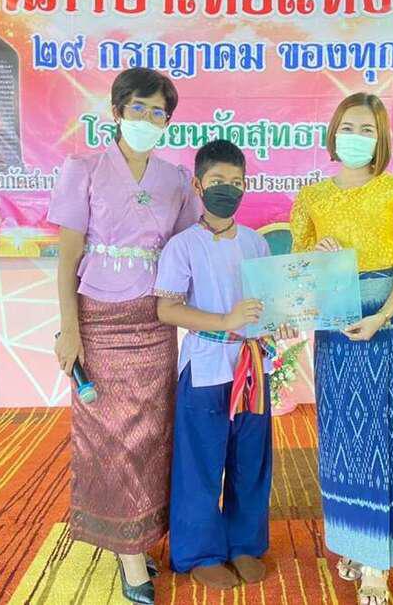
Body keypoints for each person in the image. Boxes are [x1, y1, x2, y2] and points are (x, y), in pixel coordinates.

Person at [48, 67, 201, 605]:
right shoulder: (83, 170)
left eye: (159, 112)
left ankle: (140, 534)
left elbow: (188, 252)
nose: (148, 119)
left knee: (151, 436)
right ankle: (129, 555)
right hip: (98, 321)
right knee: (109, 437)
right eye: (139, 108)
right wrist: (70, 330)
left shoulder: (176, 180)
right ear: (116, 111)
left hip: (156, 322)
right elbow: (67, 258)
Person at [290, 93, 393, 605]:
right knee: (341, 434)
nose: (356, 137)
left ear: (381, 138)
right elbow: (299, 272)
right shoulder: (312, 197)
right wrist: (317, 258)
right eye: (348, 127)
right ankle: (352, 542)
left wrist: (382, 316)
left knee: (382, 433)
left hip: (384, 322)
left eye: (367, 129)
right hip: (335, 327)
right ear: (333, 133)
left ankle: (377, 563)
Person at [154, 139, 296, 590]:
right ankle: (200, 551)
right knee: (200, 461)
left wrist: (281, 320)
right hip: (205, 367)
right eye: (217, 180)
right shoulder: (182, 246)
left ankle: (245, 545)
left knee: (251, 460)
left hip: (252, 366)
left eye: (236, 182)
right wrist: (225, 321)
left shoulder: (257, 243)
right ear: (198, 186)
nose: (227, 189)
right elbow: (167, 309)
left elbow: (270, 303)